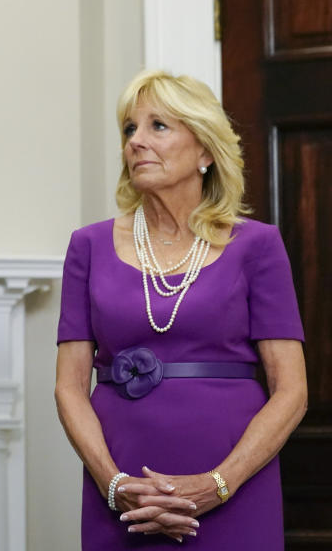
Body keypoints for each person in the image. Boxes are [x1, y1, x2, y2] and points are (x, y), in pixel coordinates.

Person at [54, 69, 307, 548]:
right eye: (130, 129)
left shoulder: (257, 245)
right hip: (123, 490)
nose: (136, 142)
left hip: (235, 485)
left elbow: (292, 391)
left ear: (206, 151)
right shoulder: (87, 246)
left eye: (158, 127)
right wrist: (115, 485)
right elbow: (68, 387)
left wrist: (217, 484)